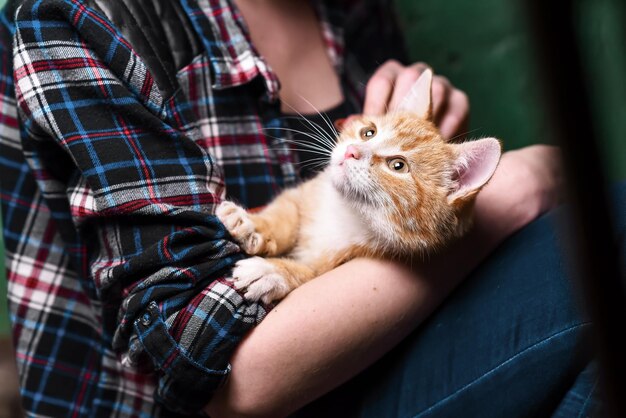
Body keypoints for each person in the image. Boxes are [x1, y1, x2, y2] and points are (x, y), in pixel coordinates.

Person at [0, 0, 607, 417]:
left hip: (374, 360)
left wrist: (413, 120)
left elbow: (380, 199)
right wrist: (503, 201)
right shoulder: (85, 14)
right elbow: (227, 378)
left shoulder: (348, 8)